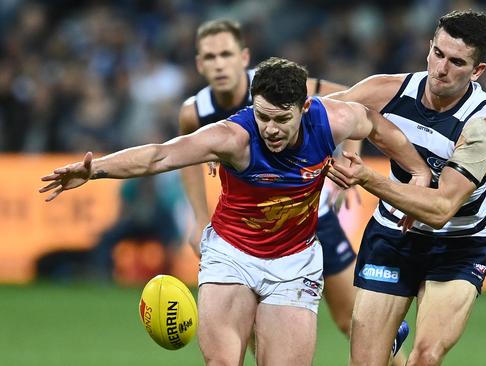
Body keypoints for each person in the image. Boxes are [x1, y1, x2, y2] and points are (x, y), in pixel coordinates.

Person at [39, 57, 430, 366]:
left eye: (281, 119)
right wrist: (95, 170)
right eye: (262, 116)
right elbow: (160, 155)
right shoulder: (233, 138)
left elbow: (378, 126)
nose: (271, 129)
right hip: (232, 256)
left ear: (305, 108)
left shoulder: (334, 119)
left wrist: (417, 172)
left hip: (295, 264)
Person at [180, 19, 410, 364]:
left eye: (226, 54)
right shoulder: (195, 112)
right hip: (254, 232)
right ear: (199, 63)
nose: (219, 64)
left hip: (311, 220)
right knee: (257, 330)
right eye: (210, 57)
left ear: (243, 57)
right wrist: (198, 215)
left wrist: (348, 155)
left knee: (352, 320)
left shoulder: (276, 86)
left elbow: (350, 103)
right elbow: (185, 158)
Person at [327, 10, 486, 366]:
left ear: (477, 71)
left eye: (457, 62)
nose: (441, 69)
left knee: (425, 357)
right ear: (429, 48)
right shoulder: (388, 90)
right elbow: (326, 116)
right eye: (438, 54)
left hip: (458, 245)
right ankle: (389, 338)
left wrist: (367, 178)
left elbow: (441, 210)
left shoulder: (483, 123)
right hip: (393, 236)